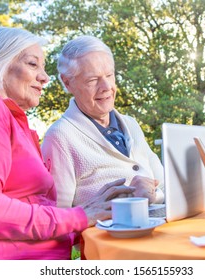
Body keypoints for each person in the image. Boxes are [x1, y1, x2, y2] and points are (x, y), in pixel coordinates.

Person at [0, 27, 135, 260]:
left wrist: (95, 210)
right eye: (33, 64)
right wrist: (80, 216)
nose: (45, 77)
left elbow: (37, 216)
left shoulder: (19, 126)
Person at [41, 35, 164, 208]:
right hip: (106, 233)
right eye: (93, 80)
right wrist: (132, 199)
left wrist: (154, 195)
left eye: (109, 75)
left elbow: (164, 185)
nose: (106, 87)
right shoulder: (59, 137)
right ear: (67, 83)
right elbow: (58, 217)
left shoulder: (131, 124)